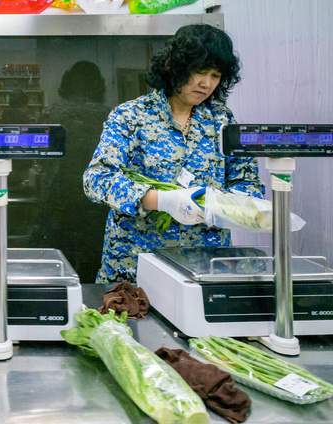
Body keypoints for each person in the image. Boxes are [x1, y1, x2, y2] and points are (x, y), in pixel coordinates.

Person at [83, 24, 264, 284]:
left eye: (215, 75)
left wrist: (221, 207)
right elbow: (97, 179)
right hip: (135, 268)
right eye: (200, 71)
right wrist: (161, 200)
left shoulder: (222, 120)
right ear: (174, 66)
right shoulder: (131, 116)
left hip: (204, 267)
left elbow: (248, 184)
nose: (206, 83)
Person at [37, 61, 111, 283]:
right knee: (93, 256)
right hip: (96, 199)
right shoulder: (109, 115)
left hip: (59, 195)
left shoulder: (52, 113)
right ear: (99, 84)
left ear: (67, 82)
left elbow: (39, 157)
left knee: (58, 258)